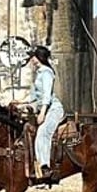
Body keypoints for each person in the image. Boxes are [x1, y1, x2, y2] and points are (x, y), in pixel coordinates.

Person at [11, 45, 65, 181]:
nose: (32, 60)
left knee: (43, 132)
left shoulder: (46, 73)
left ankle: (45, 167)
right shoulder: (39, 73)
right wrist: (21, 102)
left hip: (53, 109)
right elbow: (34, 97)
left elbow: (46, 96)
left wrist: (42, 113)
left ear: (39, 57)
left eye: (33, 57)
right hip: (44, 108)